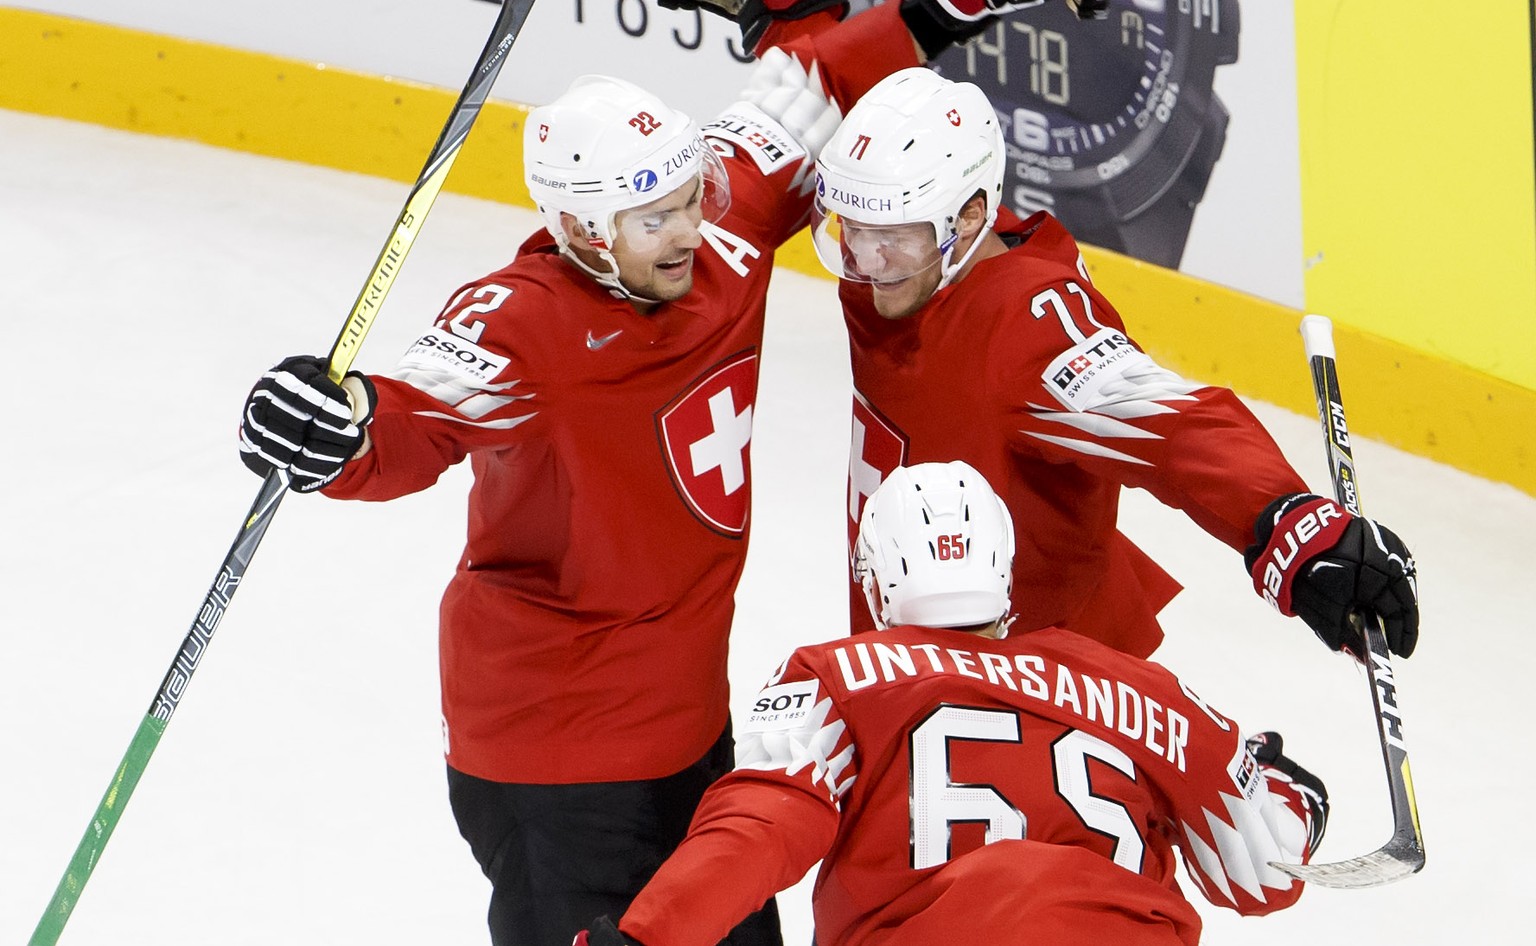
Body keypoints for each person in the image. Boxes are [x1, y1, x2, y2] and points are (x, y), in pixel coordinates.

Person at [232, 4, 1089, 945]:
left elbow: (807, 84)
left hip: (688, 735)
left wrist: (931, 11)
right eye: (655, 218)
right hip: (555, 762)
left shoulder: (719, 234)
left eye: (693, 195)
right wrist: (341, 427)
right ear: (579, 229)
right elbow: (420, 412)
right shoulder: (523, 326)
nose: (690, 229)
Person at [575, 460, 1330, 946]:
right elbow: (1262, 875)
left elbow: (762, 827)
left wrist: (649, 938)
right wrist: (1292, 792)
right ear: (1004, 575)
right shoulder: (1144, 692)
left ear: (874, 584)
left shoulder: (840, 675)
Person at [810, 67, 1420, 662]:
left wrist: (1293, 524)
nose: (865, 259)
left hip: (1035, 687)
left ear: (969, 216)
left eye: (890, 234)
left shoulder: (1025, 327)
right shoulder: (892, 277)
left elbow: (1172, 426)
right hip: (909, 659)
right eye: (851, 229)